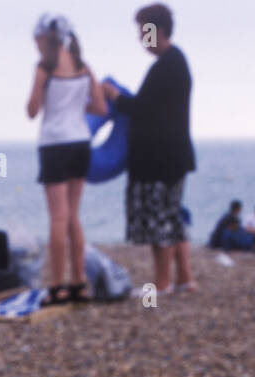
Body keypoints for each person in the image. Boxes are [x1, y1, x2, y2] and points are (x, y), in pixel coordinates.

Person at [102, 4, 196, 294]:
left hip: (161, 159)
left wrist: (114, 96)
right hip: (173, 156)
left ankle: (161, 283)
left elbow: (142, 109)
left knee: (160, 221)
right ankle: (184, 278)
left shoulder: (168, 66)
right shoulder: (173, 63)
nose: (142, 38)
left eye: (144, 31)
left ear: (159, 31)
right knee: (172, 217)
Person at [26, 13, 106, 305]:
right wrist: (75, 102)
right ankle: (79, 283)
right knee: (74, 216)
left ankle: (57, 285)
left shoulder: (44, 69)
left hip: (54, 142)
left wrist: (51, 101)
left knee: (58, 218)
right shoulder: (85, 68)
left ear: (46, 38)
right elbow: (98, 107)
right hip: (80, 141)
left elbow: (32, 110)